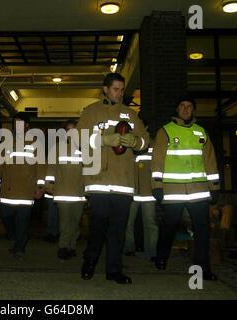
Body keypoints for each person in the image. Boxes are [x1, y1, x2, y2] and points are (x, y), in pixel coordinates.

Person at [77, 73, 149, 284]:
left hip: (123, 182)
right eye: (116, 89)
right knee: (99, 223)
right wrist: (103, 139)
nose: (120, 93)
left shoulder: (130, 114)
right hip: (97, 180)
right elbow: (78, 139)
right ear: (105, 89)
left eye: (122, 89)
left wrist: (135, 141)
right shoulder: (91, 112)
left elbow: (146, 140)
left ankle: (114, 270)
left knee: (118, 228)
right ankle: (90, 260)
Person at [151, 95, 220, 281]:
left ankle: (203, 268)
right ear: (177, 109)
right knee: (169, 228)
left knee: (202, 231)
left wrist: (214, 187)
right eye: (182, 105)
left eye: (189, 106)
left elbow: (210, 161)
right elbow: (157, 160)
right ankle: (161, 256)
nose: (186, 109)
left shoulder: (201, 132)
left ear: (193, 110)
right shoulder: (165, 131)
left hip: (198, 192)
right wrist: (157, 186)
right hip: (173, 192)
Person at [0, 112, 45, 262]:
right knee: (6, 217)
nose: (17, 125)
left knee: (22, 223)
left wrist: (40, 188)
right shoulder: (6, 142)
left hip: (26, 191)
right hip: (7, 190)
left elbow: (41, 167)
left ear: (27, 125)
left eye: (20, 123)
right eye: (15, 123)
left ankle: (19, 248)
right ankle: (14, 237)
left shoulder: (35, 144)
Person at [46, 119, 86, 260]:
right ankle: (63, 247)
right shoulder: (57, 147)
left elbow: (90, 170)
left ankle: (72, 246)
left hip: (79, 192)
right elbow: (51, 167)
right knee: (64, 222)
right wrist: (50, 185)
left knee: (75, 223)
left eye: (73, 130)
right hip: (63, 191)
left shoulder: (85, 148)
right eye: (68, 130)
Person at [124, 120, 158, 261]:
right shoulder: (127, 145)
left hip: (148, 193)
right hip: (131, 191)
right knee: (127, 222)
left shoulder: (155, 145)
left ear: (146, 126)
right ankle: (129, 248)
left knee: (150, 224)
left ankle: (152, 252)